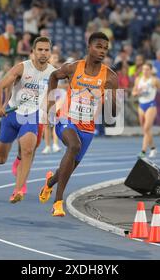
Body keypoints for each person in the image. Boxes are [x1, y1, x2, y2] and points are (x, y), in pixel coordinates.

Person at [38, 32, 119, 217]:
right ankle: (58, 203)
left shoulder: (111, 77)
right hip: (66, 119)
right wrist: (51, 104)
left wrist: (110, 98)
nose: (102, 51)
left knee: (66, 170)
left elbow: (114, 114)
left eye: (105, 48)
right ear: (89, 47)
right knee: (73, 146)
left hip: (87, 127)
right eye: (98, 46)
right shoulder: (73, 68)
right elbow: (53, 76)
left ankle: (50, 182)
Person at [0, 36, 55, 203]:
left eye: (46, 50)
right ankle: (17, 160)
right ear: (33, 52)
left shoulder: (52, 73)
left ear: (50, 52)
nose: (43, 53)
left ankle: (18, 190)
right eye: (40, 50)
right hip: (11, 114)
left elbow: (52, 95)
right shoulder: (22, 68)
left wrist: (49, 113)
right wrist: (0, 106)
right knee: (0, 159)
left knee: (28, 150)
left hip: (31, 115)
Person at [132, 61, 160, 158]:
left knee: (146, 128)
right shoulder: (138, 79)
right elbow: (133, 92)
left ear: (151, 71)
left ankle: (143, 151)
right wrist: (137, 92)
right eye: (144, 69)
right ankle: (153, 148)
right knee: (145, 130)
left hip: (151, 105)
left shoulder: (155, 80)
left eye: (147, 69)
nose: (145, 71)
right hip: (141, 105)